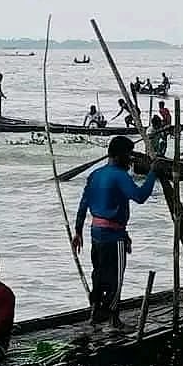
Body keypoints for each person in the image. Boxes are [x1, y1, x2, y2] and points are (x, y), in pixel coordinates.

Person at [73, 136, 156, 328]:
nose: (130, 160)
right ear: (119, 156)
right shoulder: (120, 175)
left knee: (99, 275)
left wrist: (78, 231)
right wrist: (153, 173)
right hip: (113, 235)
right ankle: (113, 318)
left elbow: (83, 204)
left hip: (96, 232)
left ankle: (94, 313)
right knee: (116, 279)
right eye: (129, 155)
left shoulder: (95, 174)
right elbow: (140, 196)